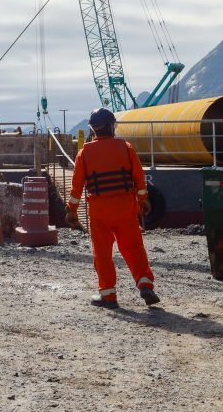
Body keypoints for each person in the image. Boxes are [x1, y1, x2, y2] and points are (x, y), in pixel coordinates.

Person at [66, 108, 160, 309]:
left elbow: (76, 187)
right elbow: (139, 178)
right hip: (126, 207)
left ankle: (108, 296)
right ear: (111, 126)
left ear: (93, 129)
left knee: (102, 253)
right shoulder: (126, 148)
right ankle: (145, 284)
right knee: (134, 248)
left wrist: (71, 210)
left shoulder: (84, 153)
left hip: (99, 211)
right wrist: (143, 199)